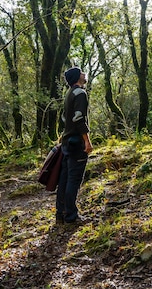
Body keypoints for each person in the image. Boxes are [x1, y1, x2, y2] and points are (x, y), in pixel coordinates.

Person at [55, 66, 93, 225]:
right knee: (73, 179)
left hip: (67, 142)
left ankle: (60, 214)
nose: (84, 74)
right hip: (76, 144)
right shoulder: (80, 93)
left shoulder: (69, 94)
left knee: (64, 179)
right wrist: (87, 140)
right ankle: (71, 216)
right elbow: (78, 119)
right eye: (82, 72)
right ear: (78, 77)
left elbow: (65, 119)